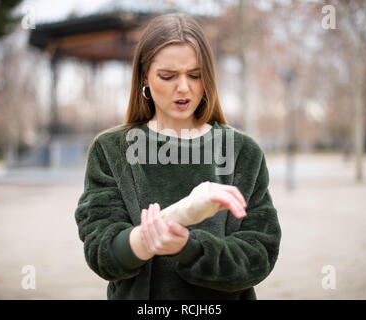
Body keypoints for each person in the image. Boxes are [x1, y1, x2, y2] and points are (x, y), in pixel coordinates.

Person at [74, 13, 281, 300]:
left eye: (195, 75)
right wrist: (182, 214)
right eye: (168, 76)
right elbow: (102, 253)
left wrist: (189, 247)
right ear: (144, 78)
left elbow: (259, 254)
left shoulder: (243, 152)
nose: (183, 87)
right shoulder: (111, 150)